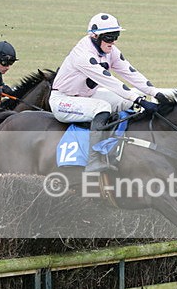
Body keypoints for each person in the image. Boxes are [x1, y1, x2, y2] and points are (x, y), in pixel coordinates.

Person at [50, 12, 165, 172]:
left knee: (130, 103)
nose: (113, 42)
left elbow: (131, 73)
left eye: (116, 36)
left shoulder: (111, 51)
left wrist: (157, 93)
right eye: (109, 38)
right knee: (102, 107)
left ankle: (124, 148)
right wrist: (140, 99)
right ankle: (93, 159)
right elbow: (111, 82)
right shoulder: (83, 55)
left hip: (87, 96)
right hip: (62, 100)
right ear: (95, 36)